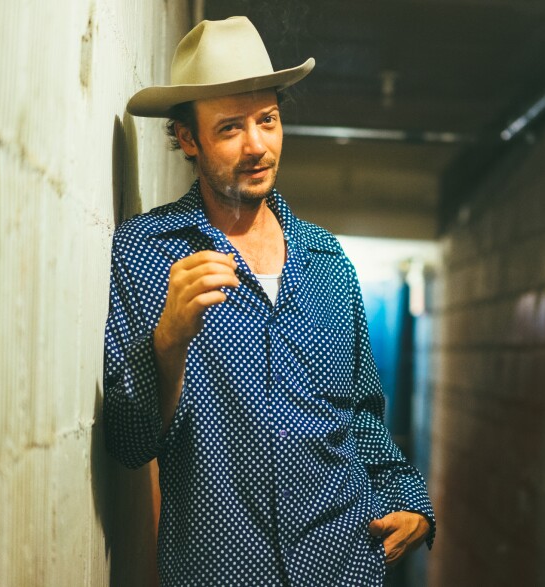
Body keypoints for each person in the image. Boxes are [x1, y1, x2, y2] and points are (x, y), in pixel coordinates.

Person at [103, 16, 434, 586]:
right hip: (221, 572)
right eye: (230, 128)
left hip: (344, 567)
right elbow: (129, 445)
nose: (256, 145)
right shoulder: (147, 252)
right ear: (188, 138)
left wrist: (410, 501)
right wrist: (169, 339)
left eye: (267, 120)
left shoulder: (327, 259)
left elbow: (362, 413)